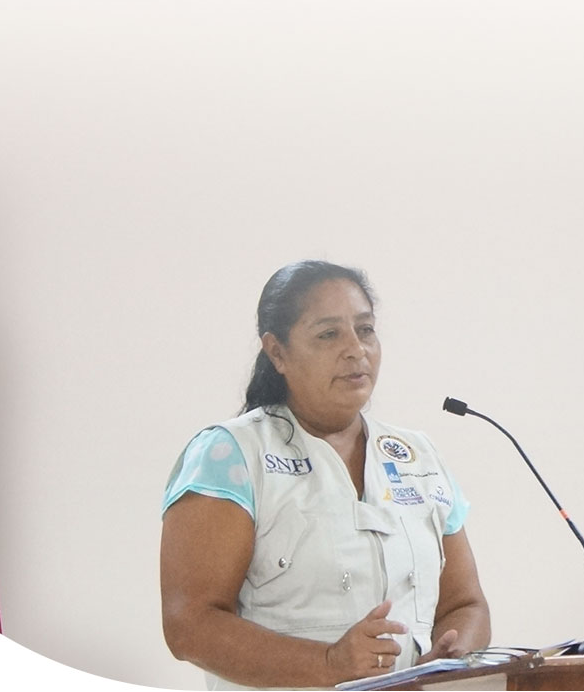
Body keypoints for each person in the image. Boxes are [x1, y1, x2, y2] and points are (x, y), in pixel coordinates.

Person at [160, 261, 491, 689]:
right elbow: (189, 625)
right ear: (277, 352)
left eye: (365, 330)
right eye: (329, 334)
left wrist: (452, 657)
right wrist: (329, 663)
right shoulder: (231, 454)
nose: (356, 349)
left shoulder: (418, 456)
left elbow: (466, 603)